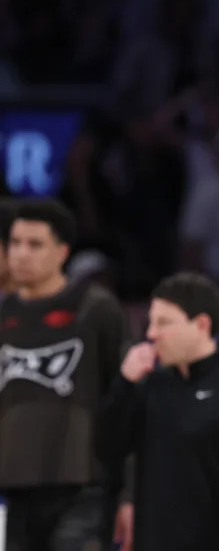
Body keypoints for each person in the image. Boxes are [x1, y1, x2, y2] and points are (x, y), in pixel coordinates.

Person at [96, 272, 219, 551]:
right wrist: (124, 384)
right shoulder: (150, 383)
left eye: (163, 323)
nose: (151, 333)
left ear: (200, 324)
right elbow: (107, 449)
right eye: (151, 322)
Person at [0, 199, 127, 550]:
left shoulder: (95, 309)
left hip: (83, 487)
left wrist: (128, 491)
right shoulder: (4, 315)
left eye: (35, 244)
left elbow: (127, 399)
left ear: (62, 252)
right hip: (16, 489)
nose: (21, 254)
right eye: (15, 243)